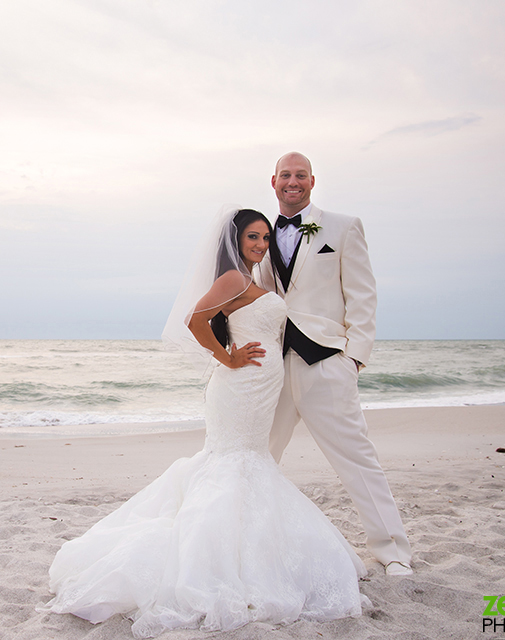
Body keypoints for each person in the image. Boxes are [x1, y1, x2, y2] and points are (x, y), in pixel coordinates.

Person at [39, 208, 366, 638]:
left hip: (261, 386)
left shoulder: (254, 279)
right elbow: (195, 320)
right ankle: (217, 562)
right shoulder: (233, 278)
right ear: (235, 240)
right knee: (234, 462)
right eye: (253, 237)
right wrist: (227, 356)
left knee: (249, 462)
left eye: (265, 238)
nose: (261, 245)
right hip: (240, 386)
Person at [256, 152, 413, 576]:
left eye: (300, 175)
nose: (293, 182)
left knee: (355, 457)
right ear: (273, 182)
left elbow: (363, 293)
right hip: (273, 365)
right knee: (257, 455)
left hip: (326, 360)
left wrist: (355, 356)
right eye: (285, 175)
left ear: (312, 180)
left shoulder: (343, 227)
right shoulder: (261, 234)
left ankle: (392, 549)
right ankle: (247, 542)